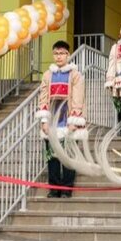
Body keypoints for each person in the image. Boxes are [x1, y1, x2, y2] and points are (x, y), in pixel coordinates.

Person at [37, 41, 85, 198]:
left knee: (69, 157)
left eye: (62, 53)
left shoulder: (75, 75)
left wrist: (73, 120)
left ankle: (66, 189)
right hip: (52, 123)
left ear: (68, 55)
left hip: (68, 121)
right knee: (52, 157)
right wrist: (44, 120)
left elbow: (78, 98)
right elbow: (43, 98)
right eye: (56, 53)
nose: (59, 56)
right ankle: (54, 188)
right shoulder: (47, 75)